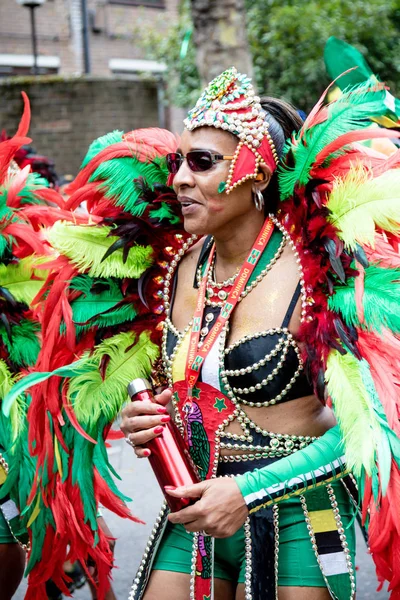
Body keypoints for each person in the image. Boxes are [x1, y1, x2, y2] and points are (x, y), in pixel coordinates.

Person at [120, 67, 400, 600]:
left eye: (201, 162)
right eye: (179, 162)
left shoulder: (321, 271)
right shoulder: (178, 265)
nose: (180, 178)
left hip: (299, 513)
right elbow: (195, 378)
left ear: (257, 175)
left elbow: (373, 428)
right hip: (195, 505)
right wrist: (150, 416)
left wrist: (248, 491)